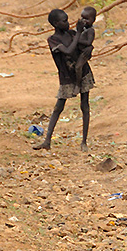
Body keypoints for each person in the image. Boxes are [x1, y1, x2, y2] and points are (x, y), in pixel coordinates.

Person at [33, 9, 94, 152]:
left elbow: (85, 45)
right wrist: (78, 33)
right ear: (55, 23)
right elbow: (68, 51)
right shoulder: (53, 40)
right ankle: (47, 141)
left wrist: (90, 48)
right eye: (64, 21)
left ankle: (84, 142)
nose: (68, 22)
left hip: (82, 72)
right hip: (67, 77)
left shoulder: (72, 34)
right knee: (58, 108)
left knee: (85, 106)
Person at [68, 6, 96, 85]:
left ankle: (78, 84)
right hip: (79, 51)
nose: (84, 21)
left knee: (78, 67)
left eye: (87, 19)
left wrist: (77, 39)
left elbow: (88, 42)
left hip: (84, 53)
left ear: (93, 20)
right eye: (82, 18)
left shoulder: (90, 30)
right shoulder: (82, 28)